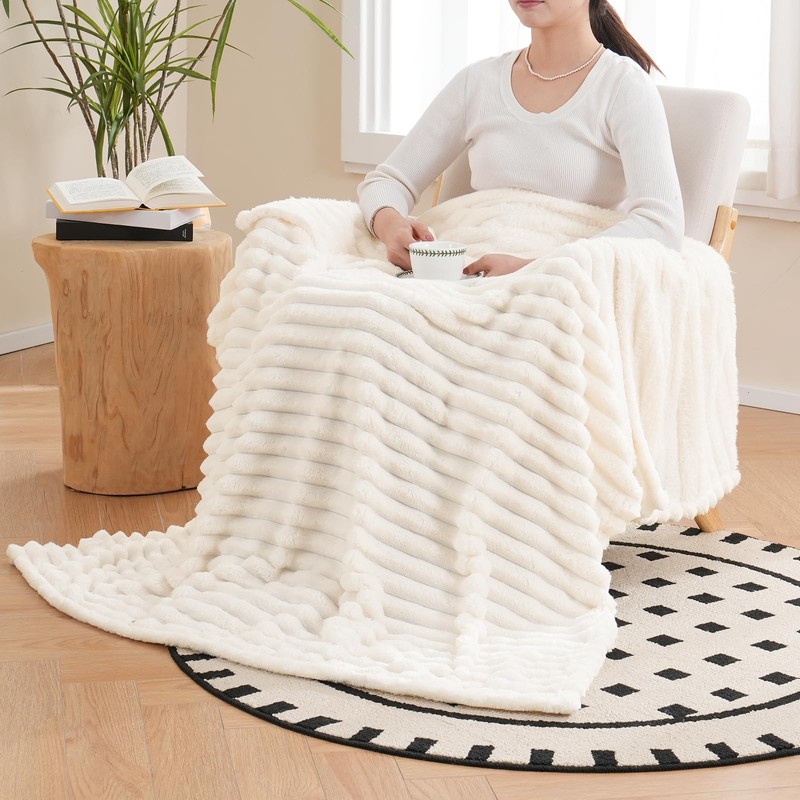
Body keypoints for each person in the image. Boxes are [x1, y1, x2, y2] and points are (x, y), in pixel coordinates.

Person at [358, 0, 684, 277]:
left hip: (561, 285)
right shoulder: (478, 82)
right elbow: (388, 181)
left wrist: (533, 268)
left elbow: (660, 224)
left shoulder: (624, 87)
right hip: (470, 275)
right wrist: (391, 225)